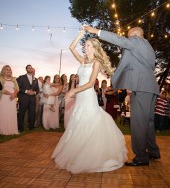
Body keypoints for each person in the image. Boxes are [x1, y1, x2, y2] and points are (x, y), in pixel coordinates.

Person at [51, 29, 127, 174]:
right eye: (85, 45)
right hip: (81, 96)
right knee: (78, 123)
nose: (85, 48)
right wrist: (80, 33)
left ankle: (91, 156)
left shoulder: (96, 62)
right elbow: (71, 47)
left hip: (87, 95)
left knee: (89, 122)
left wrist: (74, 90)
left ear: (95, 48)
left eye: (88, 45)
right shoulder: (83, 61)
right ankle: (78, 154)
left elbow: (91, 83)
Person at [84, 26, 160, 166]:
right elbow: (134, 66)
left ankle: (141, 157)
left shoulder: (137, 42)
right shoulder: (148, 47)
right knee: (148, 123)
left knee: (138, 123)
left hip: (142, 87)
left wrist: (96, 31)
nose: (128, 38)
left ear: (135, 35)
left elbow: (120, 41)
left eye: (129, 36)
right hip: (150, 88)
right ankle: (153, 152)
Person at [17, 65, 39, 131]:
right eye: (29, 68)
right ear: (26, 69)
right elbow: (17, 88)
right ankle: (20, 128)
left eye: (31, 68)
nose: (30, 69)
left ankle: (31, 127)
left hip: (32, 99)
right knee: (21, 113)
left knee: (32, 113)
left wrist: (34, 92)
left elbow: (37, 90)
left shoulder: (35, 79)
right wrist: (26, 91)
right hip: (23, 98)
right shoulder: (21, 77)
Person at [0, 65, 19, 135]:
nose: (9, 71)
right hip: (4, 98)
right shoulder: (0, 78)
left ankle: (12, 130)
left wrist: (14, 94)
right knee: (4, 113)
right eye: (7, 69)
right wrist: (10, 94)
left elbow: (17, 88)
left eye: (10, 69)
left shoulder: (14, 79)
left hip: (13, 99)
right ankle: (4, 130)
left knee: (12, 113)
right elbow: (1, 89)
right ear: (3, 71)